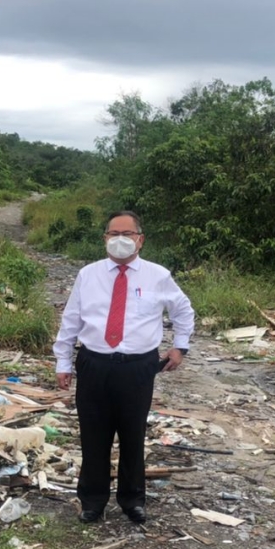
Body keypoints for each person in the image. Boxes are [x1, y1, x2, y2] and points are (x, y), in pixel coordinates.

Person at [53, 210, 195, 524]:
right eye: (112, 233)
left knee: (133, 435)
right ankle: (92, 501)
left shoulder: (158, 275)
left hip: (138, 367)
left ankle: (132, 500)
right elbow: (71, 321)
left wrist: (179, 346)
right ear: (104, 239)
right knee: (94, 435)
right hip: (94, 364)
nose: (119, 240)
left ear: (140, 240)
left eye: (127, 234)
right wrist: (63, 362)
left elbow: (183, 311)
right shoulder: (88, 275)